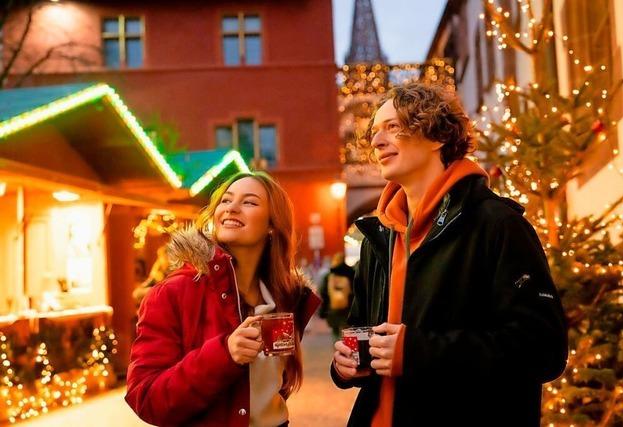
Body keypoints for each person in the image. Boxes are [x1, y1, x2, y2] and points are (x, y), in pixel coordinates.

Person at [331, 82, 568, 426]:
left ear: (437, 135)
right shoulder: (376, 237)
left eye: (393, 127)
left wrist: (416, 351)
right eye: (375, 131)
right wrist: (346, 365)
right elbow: (362, 329)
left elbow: (542, 349)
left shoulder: (496, 224)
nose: (376, 141)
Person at [126, 171, 321, 427]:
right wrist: (225, 354)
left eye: (249, 202)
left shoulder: (285, 297)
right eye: (226, 201)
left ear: (272, 225)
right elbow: (146, 398)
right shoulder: (173, 292)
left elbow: (273, 388)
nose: (231, 209)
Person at [318, 252, 355, 341]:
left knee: (335, 334)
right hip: (348, 309)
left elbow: (323, 294)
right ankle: (347, 351)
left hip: (333, 309)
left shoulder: (329, 276)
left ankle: (338, 350)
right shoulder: (351, 273)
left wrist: (323, 311)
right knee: (347, 332)